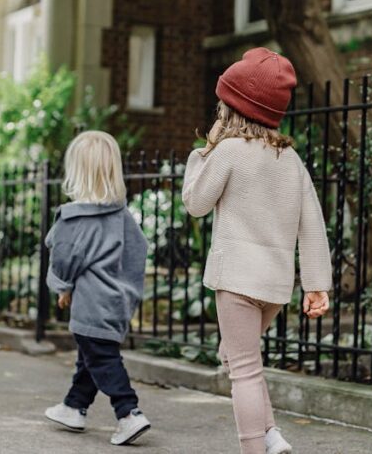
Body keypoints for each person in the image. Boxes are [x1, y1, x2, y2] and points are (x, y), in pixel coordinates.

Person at [182, 48, 332, 454]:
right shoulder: (290, 159)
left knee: (243, 370)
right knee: (236, 356)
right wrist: (317, 285)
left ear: (231, 107)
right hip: (274, 286)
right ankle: (270, 436)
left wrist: (201, 155)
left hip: (235, 282)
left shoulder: (228, 151)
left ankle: (254, 447)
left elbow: (195, 204)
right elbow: (313, 224)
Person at [42, 130, 152, 447]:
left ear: (76, 170)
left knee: (102, 359)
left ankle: (128, 412)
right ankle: (73, 407)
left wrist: (62, 287)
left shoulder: (73, 219)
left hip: (90, 302)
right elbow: (138, 251)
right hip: (118, 301)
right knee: (92, 355)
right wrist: (128, 290)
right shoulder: (122, 217)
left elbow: (64, 257)